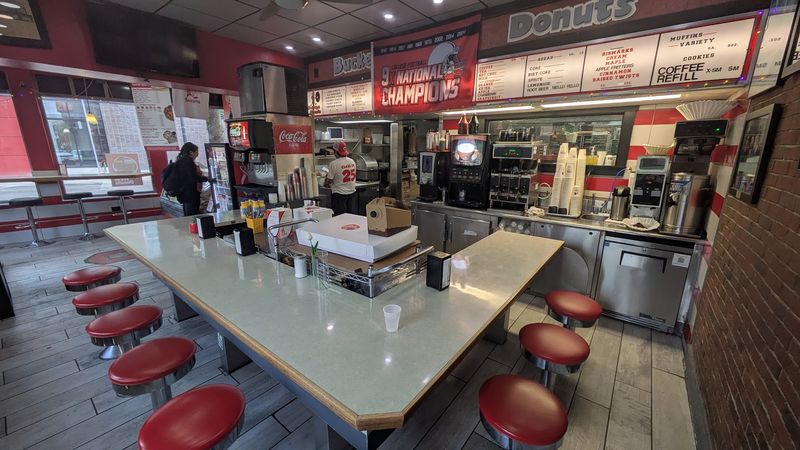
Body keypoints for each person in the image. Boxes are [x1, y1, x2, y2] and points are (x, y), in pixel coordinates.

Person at [173, 142, 208, 216]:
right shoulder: (187, 161)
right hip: (190, 194)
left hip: (184, 194)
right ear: (191, 152)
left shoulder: (180, 160)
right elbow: (192, 178)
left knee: (188, 215)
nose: (197, 155)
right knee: (192, 216)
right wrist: (207, 179)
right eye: (196, 153)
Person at [325, 141, 357, 215]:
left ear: (335, 151)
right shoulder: (352, 161)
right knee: (350, 217)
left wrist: (325, 183)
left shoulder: (334, 163)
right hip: (351, 194)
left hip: (340, 195)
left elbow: (329, 181)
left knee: (340, 218)